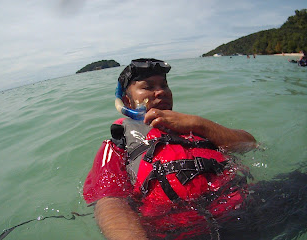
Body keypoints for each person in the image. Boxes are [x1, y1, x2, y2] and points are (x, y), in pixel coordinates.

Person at [83, 58, 305, 240]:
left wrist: (198, 123)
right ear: (126, 101)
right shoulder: (117, 146)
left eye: (164, 86)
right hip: (190, 231)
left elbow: (250, 144)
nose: (161, 92)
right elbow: (110, 202)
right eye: (148, 87)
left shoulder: (192, 127)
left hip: (255, 206)